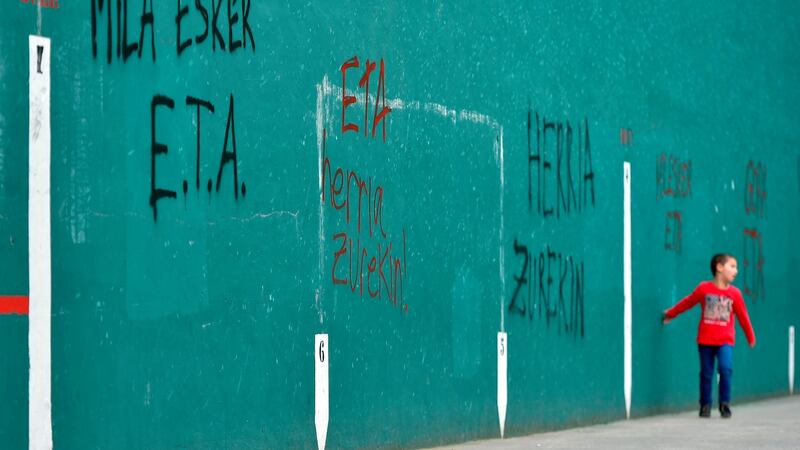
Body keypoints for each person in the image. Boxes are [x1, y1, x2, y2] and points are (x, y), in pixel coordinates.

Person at [662, 253, 756, 418]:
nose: (736, 271)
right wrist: (671, 313)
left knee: (725, 369)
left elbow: (743, 316)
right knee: (706, 373)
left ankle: (724, 404)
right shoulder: (703, 288)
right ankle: (705, 405)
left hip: (725, 341)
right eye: (732, 266)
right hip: (705, 340)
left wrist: (750, 336)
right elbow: (688, 302)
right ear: (719, 267)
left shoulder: (735, 293)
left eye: (736, 267)